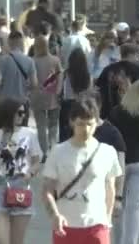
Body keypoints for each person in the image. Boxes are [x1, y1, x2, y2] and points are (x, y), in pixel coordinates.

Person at [42, 97, 121, 244]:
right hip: (66, 226)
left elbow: (110, 188)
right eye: (80, 124)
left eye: (90, 124)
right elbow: (47, 190)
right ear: (72, 122)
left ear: (97, 122)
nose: (85, 129)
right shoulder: (58, 151)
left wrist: (107, 220)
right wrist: (55, 215)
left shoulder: (107, 152)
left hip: (97, 226)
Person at [0, 98, 42, 244]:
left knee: (16, 241)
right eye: (19, 113)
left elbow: (37, 160)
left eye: (24, 113)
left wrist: (31, 173)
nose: (23, 116)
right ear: (8, 114)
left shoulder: (29, 134)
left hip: (21, 185)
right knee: (0, 240)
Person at [107, 79, 139, 244]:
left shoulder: (117, 111)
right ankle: (131, 242)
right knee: (135, 207)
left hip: (120, 162)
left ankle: (118, 241)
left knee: (119, 206)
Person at [0, 31, 38, 124]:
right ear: (21, 42)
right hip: (22, 101)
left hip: (5, 102)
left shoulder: (2, 60)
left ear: (9, 42)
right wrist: (24, 86)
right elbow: (34, 84)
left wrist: (6, 84)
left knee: (5, 131)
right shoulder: (29, 61)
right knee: (21, 132)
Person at [30, 35, 62, 157]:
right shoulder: (55, 60)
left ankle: (44, 152)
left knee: (41, 125)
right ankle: (53, 146)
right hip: (53, 95)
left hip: (37, 95)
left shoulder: (32, 61)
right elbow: (60, 74)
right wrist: (58, 88)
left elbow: (29, 79)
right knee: (53, 124)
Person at [96, 42, 139, 119]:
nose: (138, 58)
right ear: (131, 54)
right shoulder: (137, 70)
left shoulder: (108, 68)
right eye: (137, 55)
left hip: (108, 111)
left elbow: (98, 87)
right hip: (130, 110)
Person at [59, 48, 93, 142]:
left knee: (64, 134)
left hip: (67, 105)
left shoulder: (66, 73)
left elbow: (59, 91)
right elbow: (89, 93)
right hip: (82, 105)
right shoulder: (88, 75)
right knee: (80, 132)